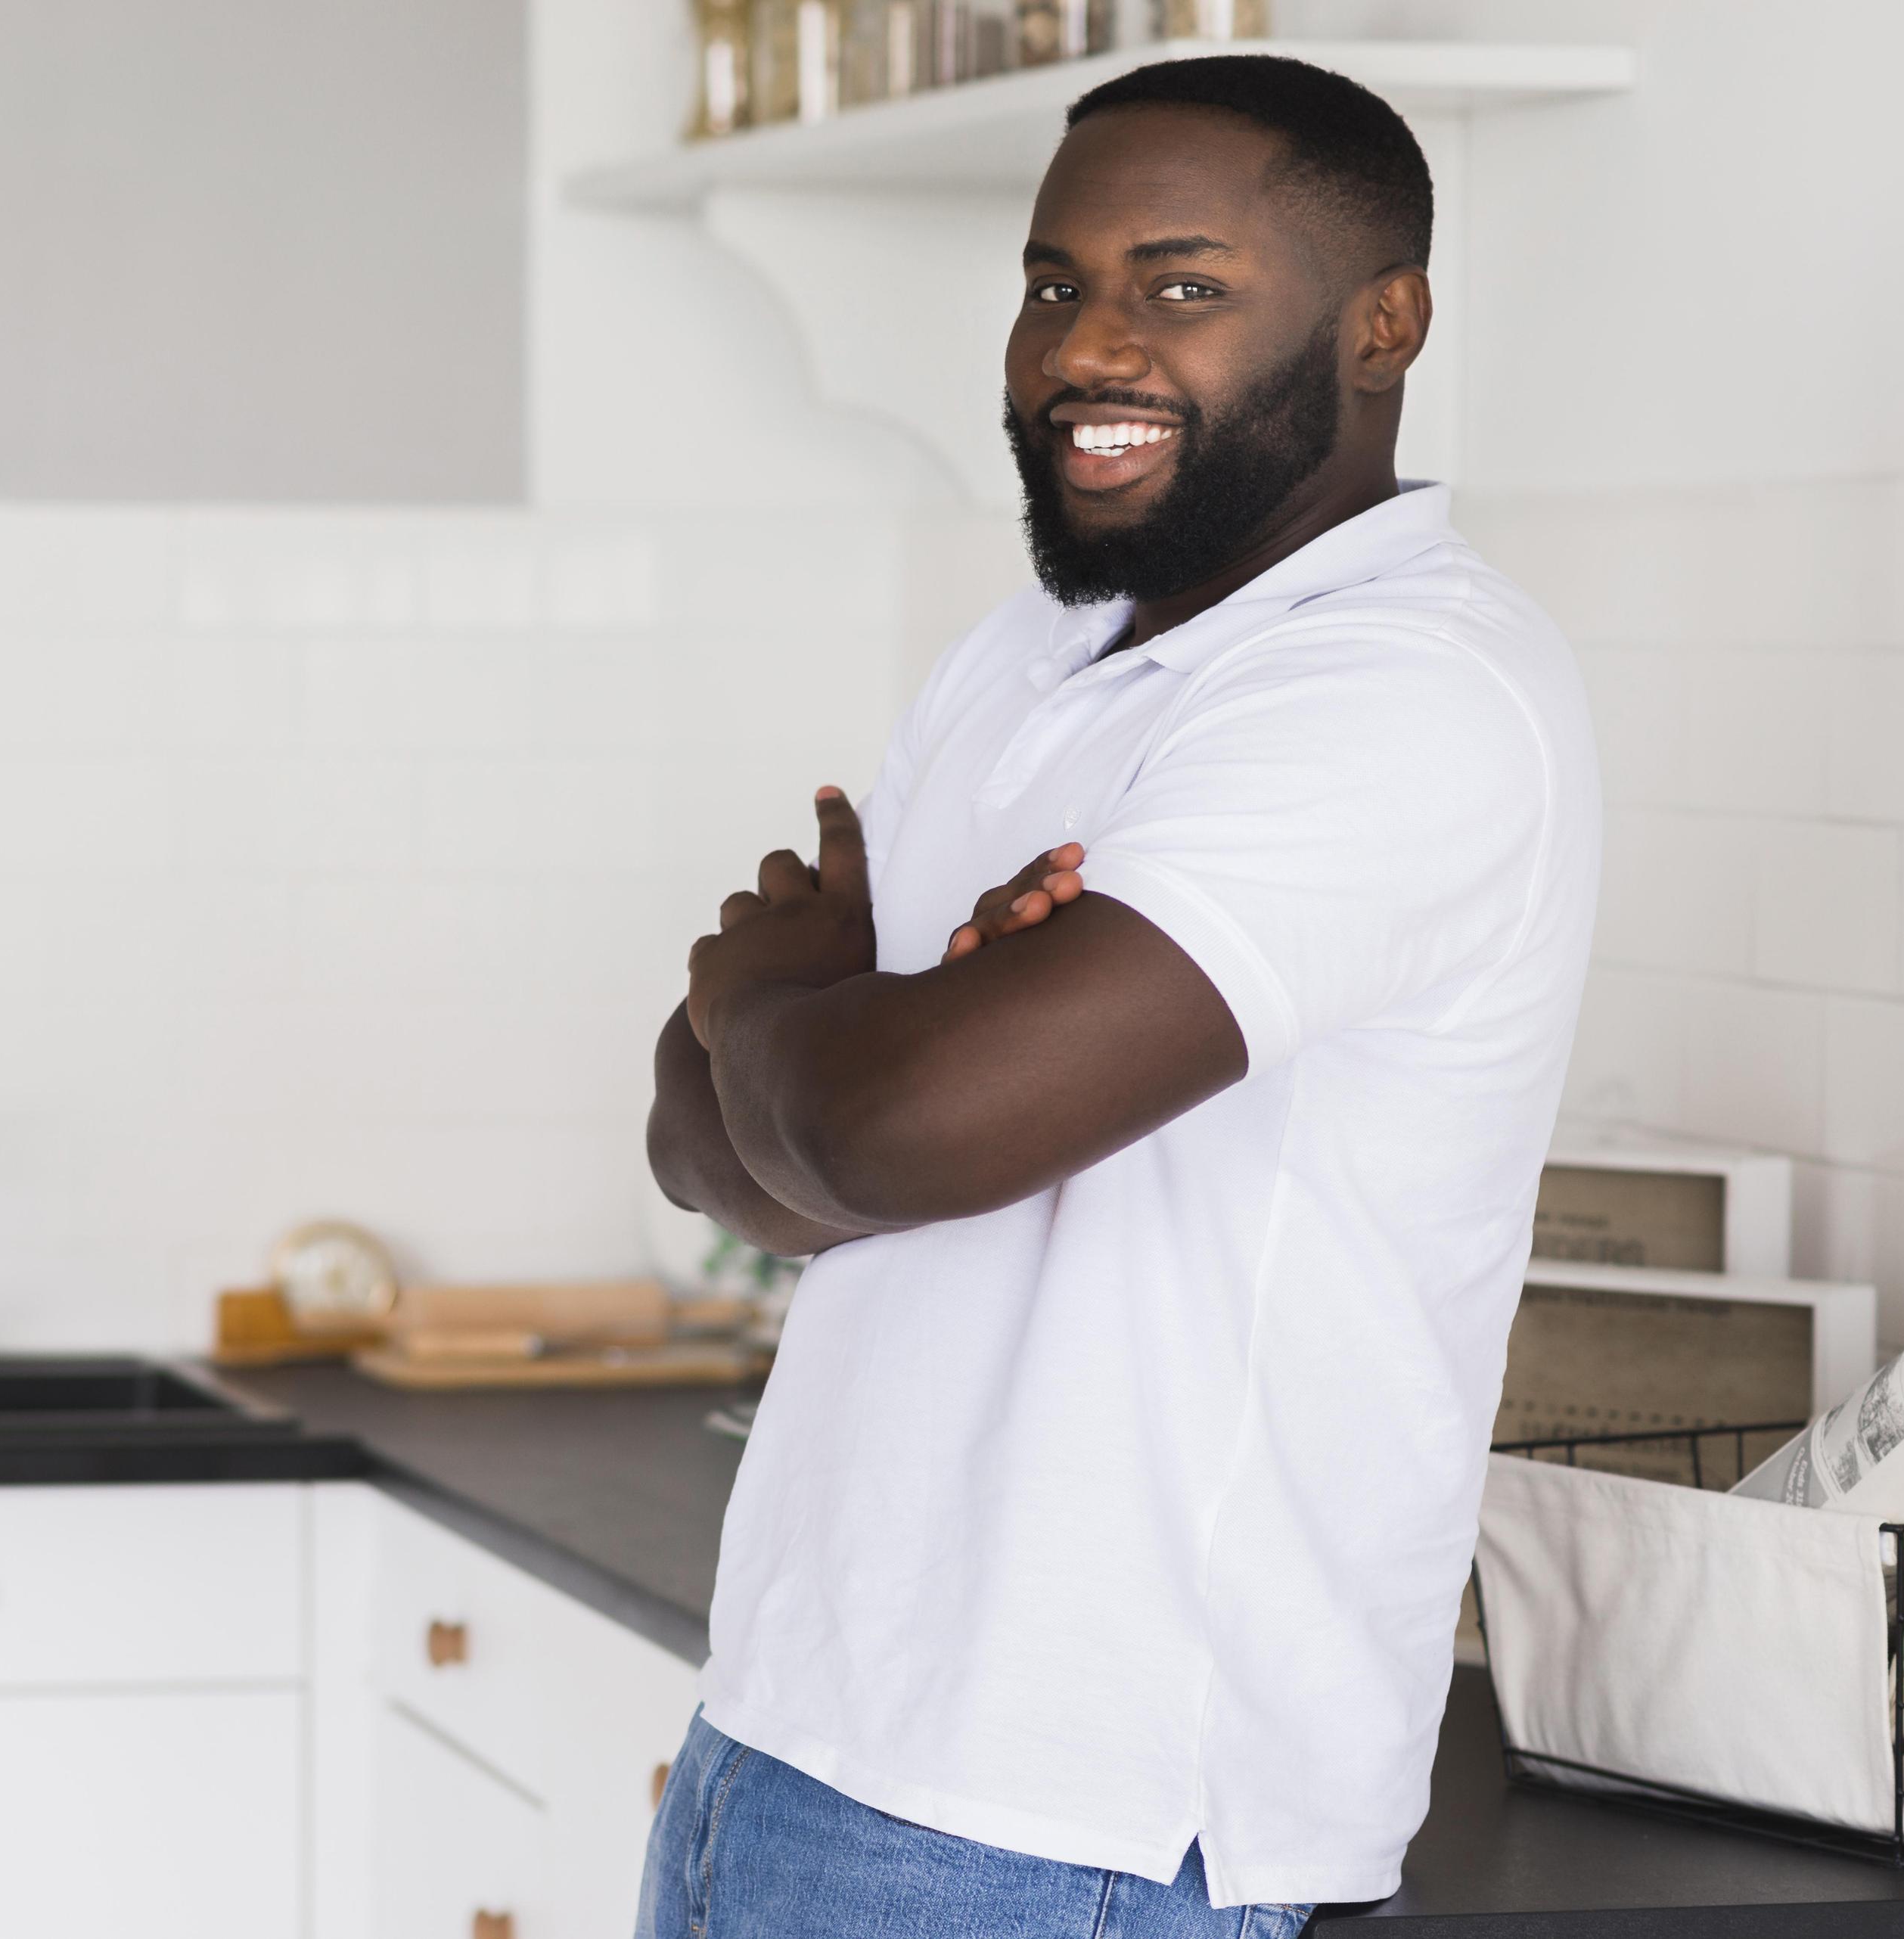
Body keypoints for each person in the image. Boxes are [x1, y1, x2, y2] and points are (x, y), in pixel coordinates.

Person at [638, 52, 1602, 1938]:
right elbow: (720, 1166)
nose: (1089, 345)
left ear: (1383, 323)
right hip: (796, 1725)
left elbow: (865, 1127)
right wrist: (833, 1055)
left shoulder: (1403, 692)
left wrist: (782, 1009)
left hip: (1079, 1818)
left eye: (1181, 287)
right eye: (1053, 283)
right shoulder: (1030, 656)